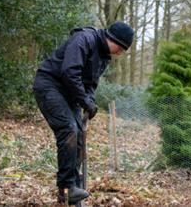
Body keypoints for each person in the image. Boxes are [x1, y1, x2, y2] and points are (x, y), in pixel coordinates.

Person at [32, 21, 134, 204]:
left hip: (70, 94)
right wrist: (85, 101)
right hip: (49, 85)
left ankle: (73, 190)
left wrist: (90, 102)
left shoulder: (104, 57)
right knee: (69, 129)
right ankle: (66, 187)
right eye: (121, 48)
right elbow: (70, 72)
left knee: (79, 139)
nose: (120, 53)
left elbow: (90, 85)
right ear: (113, 39)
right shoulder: (84, 39)